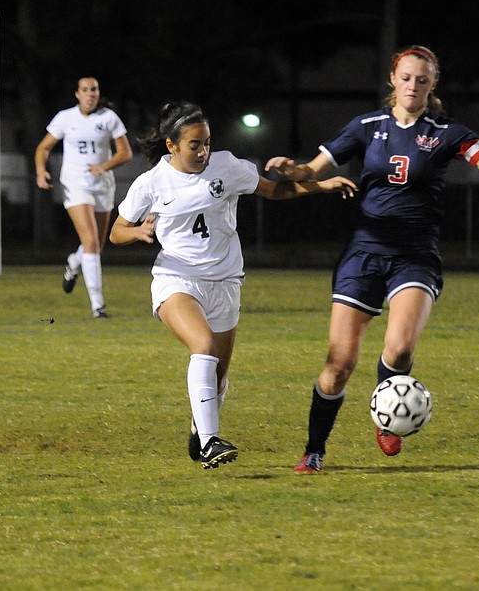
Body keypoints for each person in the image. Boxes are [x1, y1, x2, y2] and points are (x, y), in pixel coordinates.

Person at [265, 45, 479, 474]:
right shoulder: (367, 126)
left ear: (433, 85)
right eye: (406, 78)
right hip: (363, 253)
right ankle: (314, 450)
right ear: (393, 79)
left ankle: (389, 413)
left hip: (415, 255)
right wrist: (293, 171)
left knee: (400, 348)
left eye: (422, 80)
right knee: (338, 366)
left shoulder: (447, 131)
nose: (413, 86)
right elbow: (312, 169)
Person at [109, 101, 357, 469]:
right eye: (194, 144)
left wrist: (320, 186)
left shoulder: (227, 166)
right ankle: (210, 442)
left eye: (206, 142)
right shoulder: (151, 183)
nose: (203, 151)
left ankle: (200, 425)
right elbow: (115, 232)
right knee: (203, 346)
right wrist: (139, 231)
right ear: (171, 146)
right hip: (177, 279)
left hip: (225, 282)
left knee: (219, 373)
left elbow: (274, 191)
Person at [35, 76, 133, 318]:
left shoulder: (108, 118)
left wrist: (104, 166)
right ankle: (98, 306)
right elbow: (43, 147)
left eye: (94, 90)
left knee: (97, 246)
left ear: (98, 94)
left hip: (102, 184)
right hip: (75, 184)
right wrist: (40, 170)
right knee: (90, 241)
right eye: (85, 90)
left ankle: (74, 263)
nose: (90, 94)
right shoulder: (65, 118)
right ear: (77, 94)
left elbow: (126, 153)